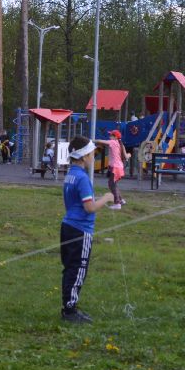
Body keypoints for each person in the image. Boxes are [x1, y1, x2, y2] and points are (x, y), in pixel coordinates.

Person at [59, 137, 114, 324]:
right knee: (78, 269)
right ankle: (70, 310)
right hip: (80, 230)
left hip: (68, 227)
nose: (93, 156)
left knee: (70, 268)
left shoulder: (71, 174)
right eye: (91, 153)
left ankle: (68, 306)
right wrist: (106, 198)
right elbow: (89, 208)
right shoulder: (82, 178)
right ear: (83, 157)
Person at [104, 129, 127, 209]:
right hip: (118, 167)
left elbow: (103, 142)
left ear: (115, 137)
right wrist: (129, 155)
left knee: (112, 184)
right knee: (114, 184)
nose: (109, 136)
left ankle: (117, 204)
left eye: (111, 135)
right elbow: (126, 156)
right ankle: (121, 200)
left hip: (115, 167)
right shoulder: (120, 144)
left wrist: (93, 140)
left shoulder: (113, 142)